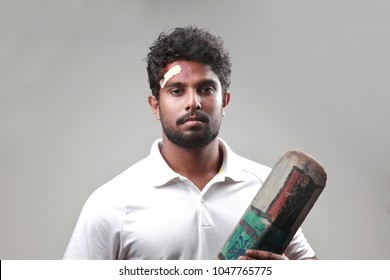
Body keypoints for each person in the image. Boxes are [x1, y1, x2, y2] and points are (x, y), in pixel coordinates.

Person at [63, 26, 317, 260]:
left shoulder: (269, 187)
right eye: (176, 91)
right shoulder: (113, 202)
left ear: (225, 101)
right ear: (155, 106)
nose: (192, 102)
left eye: (206, 89)